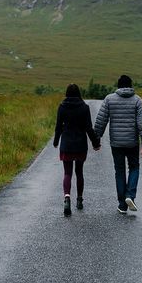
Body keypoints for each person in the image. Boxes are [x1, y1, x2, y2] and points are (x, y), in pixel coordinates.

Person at [94, 74, 142, 213]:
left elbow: (101, 121)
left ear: (118, 86)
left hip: (116, 143)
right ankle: (130, 195)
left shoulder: (109, 99)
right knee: (134, 167)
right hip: (132, 142)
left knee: (119, 171)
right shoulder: (137, 100)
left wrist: (97, 139)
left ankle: (122, 205)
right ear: (131, 85)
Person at [54, 83, 101, 216]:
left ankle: (67, 197)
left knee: (67, 173)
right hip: (80, 145)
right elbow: (88, 128)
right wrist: (96, 143)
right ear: (79, 93)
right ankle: (79, 200)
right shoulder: (84, 108)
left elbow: (58, 126)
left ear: (67, 93)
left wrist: (56, 141)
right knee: (79, 172)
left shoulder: (62, 107)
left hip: (67, 144)